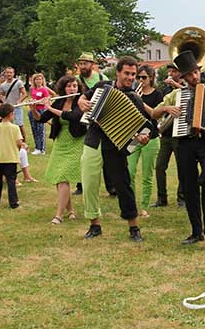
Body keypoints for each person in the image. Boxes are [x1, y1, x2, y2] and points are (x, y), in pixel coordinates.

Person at [152, 51, 205, 245]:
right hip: (184, 142)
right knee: (189, 185)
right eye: (190, 75)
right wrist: (166, 109)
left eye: (196, 72)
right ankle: (196, 231)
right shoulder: (176, 95)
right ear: (183, 77)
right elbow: (154, 113)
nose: (194, 77)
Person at [77, 56, 150, 242]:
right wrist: (82, 103)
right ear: (118, 72)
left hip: (116, 146)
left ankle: (134, 227)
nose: (130, 77)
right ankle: (94, 225)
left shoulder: (134, 98)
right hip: (94, 139)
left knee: (123, 184)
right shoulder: (103, 86)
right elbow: (83, 97)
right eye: (127, 73)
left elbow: (145, 129)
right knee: (89, 182)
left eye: (133, 74)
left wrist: (140, 140)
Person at [31, 75, 86, 224]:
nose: (72, 89)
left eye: (74, 86)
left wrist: (49, 107)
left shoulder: (80, 102)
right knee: (58, 177)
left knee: (63, 176)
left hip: (76, 142)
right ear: (63, 88)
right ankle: (71, 211)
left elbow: (73, 117)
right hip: (60, 142)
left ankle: (59, 215)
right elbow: (41, 119)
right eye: (69, 86)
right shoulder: (60, 101)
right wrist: (34, 108)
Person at [73, 52, 115, 197]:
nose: (82, 66)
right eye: (81, 63)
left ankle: (111, 187)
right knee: (82, 155)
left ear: (92, 64)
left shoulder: (103, 78)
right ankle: (81, 185)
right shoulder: (75, 80)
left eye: (85, 63)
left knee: (105, 153)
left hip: (100, 121)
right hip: (80, 120)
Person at [127, 65, 163, 217]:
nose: (140, 80)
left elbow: (156, 115)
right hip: (134, 135)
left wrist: (140, 101)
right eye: (138, 77)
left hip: (151, 136)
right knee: (129, 171)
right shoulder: (132, 93)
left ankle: (144, 206)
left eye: (144, 77)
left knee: (147, 174)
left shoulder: (157, 95)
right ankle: (131, 205)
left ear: (151, 78)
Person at [152, 63, 185, 208]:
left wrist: (176, 84)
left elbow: (189, 93)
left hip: (180, 135)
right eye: (169, 71)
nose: (171, 74)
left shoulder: (184, 88)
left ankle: (182, 198)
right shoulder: (165, 89)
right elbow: (158, 109)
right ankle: (161, 198)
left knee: (182, 167)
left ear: (180, 73)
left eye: (174, 71)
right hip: (166, 133)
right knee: (160, 166)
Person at [0, 102, 37, 185]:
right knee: (11, 155)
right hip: (0, 148)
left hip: (7, 145)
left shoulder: (2, 123)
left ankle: (27, 176)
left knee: (22, 152)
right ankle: (13, 179)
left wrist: (22, 144)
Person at [0, 103, 23, 208]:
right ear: (11, 114)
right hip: (11, 158)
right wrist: (19, 147)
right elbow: (19, 142)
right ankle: (13, 202)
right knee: (11, 180)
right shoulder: (15, 128)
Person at [0, 67, 28, 142]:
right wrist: (4, 102)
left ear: (13, 73)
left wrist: (19, 101)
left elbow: (24, 94)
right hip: (8, 108)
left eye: (11, 72)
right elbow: (1, 95)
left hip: (17, 107)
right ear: (5, 74)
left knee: (20, 124)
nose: (9, 74)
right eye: (7, 72)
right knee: (9, 124)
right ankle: (12, 140)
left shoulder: (18, 82)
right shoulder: (3, 85)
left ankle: (24, 141)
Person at [28, 73, 52, 155]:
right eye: (37, 79)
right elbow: (32, 97)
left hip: (41, 111)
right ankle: (37, 147)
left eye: (40, 79)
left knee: (40, 129)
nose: (38, 81)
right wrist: (31, 101)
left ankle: (41, 148)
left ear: (42, 80)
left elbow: (47, 99)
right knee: (34, 129)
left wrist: (41, 102)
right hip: (33, 110)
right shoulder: (32, 89)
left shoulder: (44, 89)